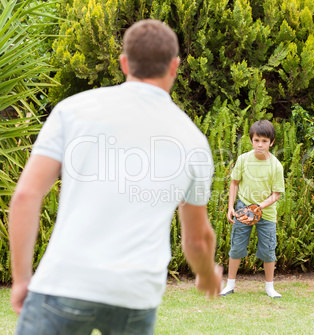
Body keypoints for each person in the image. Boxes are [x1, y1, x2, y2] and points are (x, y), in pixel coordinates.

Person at [9, 19, 222, 335]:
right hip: (135, 295)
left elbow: (26, 196)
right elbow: (196, 238)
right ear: (175, 67)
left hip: (65, 281)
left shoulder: (74, 110)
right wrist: (205, 274)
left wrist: (22, 279)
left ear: (124, 63)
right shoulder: (194, 141)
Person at [219, 120, 285, 298]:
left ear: (271, 142)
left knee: (268, 250)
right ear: (251, 140)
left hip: (266, 213)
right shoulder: (243, 159)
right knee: (237, 248)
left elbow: (276, 194)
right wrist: (231, 206)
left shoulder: (276, 166)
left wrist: (258, 207)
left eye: (264, 141)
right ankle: (230, 285)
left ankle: (269, 288)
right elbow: (234, 183)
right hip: (243, 208)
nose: (260, 145)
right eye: (256, 140)